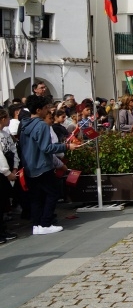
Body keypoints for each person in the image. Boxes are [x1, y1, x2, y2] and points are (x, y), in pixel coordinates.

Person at [18, 95, 80, 235]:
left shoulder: (24, 124)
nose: (48, 111)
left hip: (29, 166)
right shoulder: (41, 125)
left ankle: (37, 225)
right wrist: (66, 147)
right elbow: (47, 148)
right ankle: (45, 223)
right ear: (39, 109)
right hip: (42, 165)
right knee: (53, 193)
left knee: (36, 197)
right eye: (46, 108)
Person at [0, 109, 19, 243]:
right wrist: (7, 172)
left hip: (8, 170)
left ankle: (3, 230)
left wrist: (15, 166)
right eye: (7, 117)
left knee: (3, 203)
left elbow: (13, 149)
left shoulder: (5, 133)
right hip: (2, 173)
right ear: (2, 119)